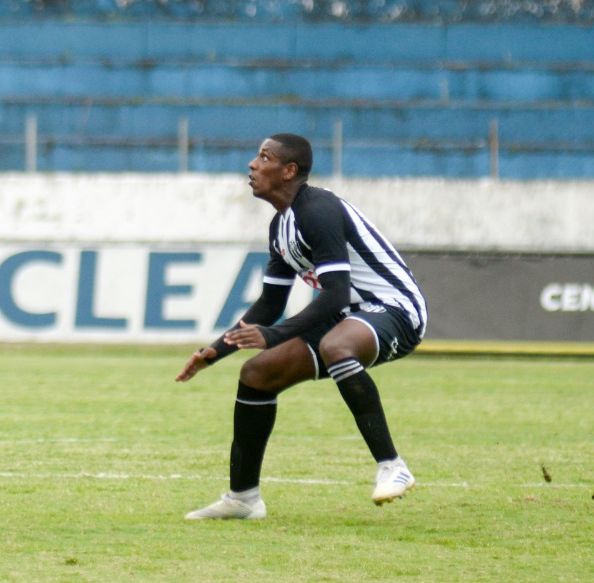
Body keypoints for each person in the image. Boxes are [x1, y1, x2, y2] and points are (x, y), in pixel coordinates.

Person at [177, 133, 427, 519]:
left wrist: (274, 335)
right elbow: (269, 305)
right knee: (257, 373)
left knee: (336, 346)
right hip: (346, 316)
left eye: (264, 157)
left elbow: (336, 293)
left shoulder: (319, 209)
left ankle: (393, 466)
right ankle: (243, 499)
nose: (252, 164)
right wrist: (215, 352)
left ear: (289, 170)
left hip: (395, 309)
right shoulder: (281, 227)